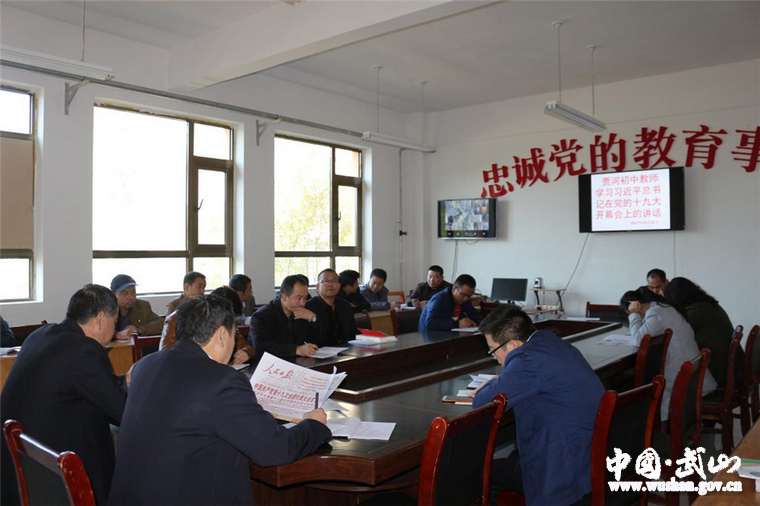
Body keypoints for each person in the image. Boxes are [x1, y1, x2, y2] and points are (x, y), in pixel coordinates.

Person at [108, 295, 331, 505]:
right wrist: (313, 424)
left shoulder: (145, 365)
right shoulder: (223, 381)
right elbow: (276, 450)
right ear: (223, 335)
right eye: (234, 335)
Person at [0, 284, 129, 505]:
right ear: (100, 319)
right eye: (114, 321)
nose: (114, 328)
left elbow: (81, 384)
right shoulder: (85, 350)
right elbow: (124, 410)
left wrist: (123, 381)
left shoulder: (42, 335)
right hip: (54, 475)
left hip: (19, 463)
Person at [472, 307, 604, 506]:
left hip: (562, 471)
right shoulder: (550, 342)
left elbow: (482, 402)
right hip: (589, 457)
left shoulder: (526, 360)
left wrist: (493, 384)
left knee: (481, 473)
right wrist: (506, 379)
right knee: (511, 457)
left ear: (513, 344)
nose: (494, 357)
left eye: (493, 350)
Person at [621, 286, 717, 419]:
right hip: (692, 373)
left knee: (642, 385)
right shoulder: (667, 308)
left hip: (681, 378)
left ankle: (646, 423)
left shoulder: (655, 312)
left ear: (637, 306)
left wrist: (634, 315)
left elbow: (638, 339)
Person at [664, 277, 743, 390]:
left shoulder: (695, 311)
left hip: (720, 371)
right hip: (731, 367)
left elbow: (675, 331)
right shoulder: (708, 304)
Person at [159, 286, 253, 365]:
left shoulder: (225, 321)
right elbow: (165, 354)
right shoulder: (175, 319)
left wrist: (246, 352)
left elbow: (247, 347)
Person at [249, 274, 320, 364]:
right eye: (299, 298)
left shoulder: (302, 313)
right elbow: (260, 347)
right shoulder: (262, 316)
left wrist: (312, 319)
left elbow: (317, 343)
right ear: (284, 297)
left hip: (295, 363)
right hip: (267, 366)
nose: (302, 303)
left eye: (305, 298)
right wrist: (297, 350)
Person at [306, 268, 358, 346]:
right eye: (326, 281)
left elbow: (351, 332)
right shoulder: (309, 307)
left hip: (346, 348)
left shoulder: (345, 305)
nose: (330, 284)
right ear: (318, 287)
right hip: (320, 350)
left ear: (339, 285)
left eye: (334, 281)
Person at [110, 274, 164, 340]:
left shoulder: (142, 306)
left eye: (133, 292)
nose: (130, 297)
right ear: (113, 294)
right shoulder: (106, 309)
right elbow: (99, 332)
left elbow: (162, 323)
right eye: (125, 293)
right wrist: (117, 335)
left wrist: (139, 329)